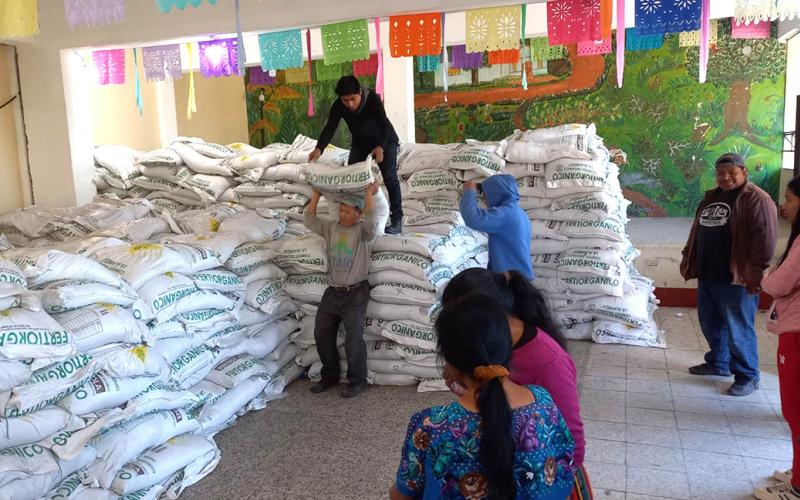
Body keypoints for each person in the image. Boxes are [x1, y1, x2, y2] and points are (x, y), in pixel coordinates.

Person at [390, 294, 576, 500]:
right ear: (507, 346)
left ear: (449, 360)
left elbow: (401, 496)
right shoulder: (544, 404)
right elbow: (565, 476)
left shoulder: (432, 425)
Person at [441, 268, 590, 499]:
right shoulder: (489, 350)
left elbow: (573, 445)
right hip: (497, 466)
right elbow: (496, 403)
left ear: (491, 315)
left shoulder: (550, 363)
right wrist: (466, 387)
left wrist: (543, 486)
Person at [680, 152, 778, 396]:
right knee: (710, 323)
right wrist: (688, 256)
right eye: (721, 173)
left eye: (731, 173)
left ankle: (747, 376)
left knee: (739, 328)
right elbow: (698, 230)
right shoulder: (712, 196)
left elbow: (765, 239)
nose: (725, 178)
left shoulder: (756, 198)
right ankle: (719, 363)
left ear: (744, 172)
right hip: (709, 272)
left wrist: (755, 272)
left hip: (738, 277)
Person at [303, 185, 378, 398]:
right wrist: (316, 195)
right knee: (321, 333)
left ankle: (358, 381)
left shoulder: (364, 232)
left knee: (354, 337)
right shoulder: (330, 227)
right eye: (341, 210)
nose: (342, 214)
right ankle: (329, 376)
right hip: (333, 291)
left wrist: (368, 195)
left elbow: (372, 221)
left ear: (358, 214)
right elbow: (309, 221)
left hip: (355, 293)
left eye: (347, 211)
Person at [308, 75, 403, 235]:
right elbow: (330, 127)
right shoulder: (338, 106)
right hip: (360, 143)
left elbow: (384, 124)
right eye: (346, 100)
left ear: (360, 92)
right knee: (351, 177)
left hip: (384, 140)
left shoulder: (372, 99)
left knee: (389, 177)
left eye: (353, 99)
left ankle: (397, 221)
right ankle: (354, 216)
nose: (350, 104)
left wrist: (380, 147)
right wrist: (319, 148)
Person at [754, 176, 800, 500]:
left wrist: (767, 275)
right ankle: (797, 471)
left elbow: (777, 284)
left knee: (796, 411)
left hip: (797, 333)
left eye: (789, 199)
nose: (784, 206)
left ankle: (797, 488)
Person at [460, 174, 533, 280]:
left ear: (496, 192)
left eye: (487, 194)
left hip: (510, 279)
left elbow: (473, 218)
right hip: (517, 277)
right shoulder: (519, 212)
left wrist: (469, 191)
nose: (486, 199)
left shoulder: (506, 213)